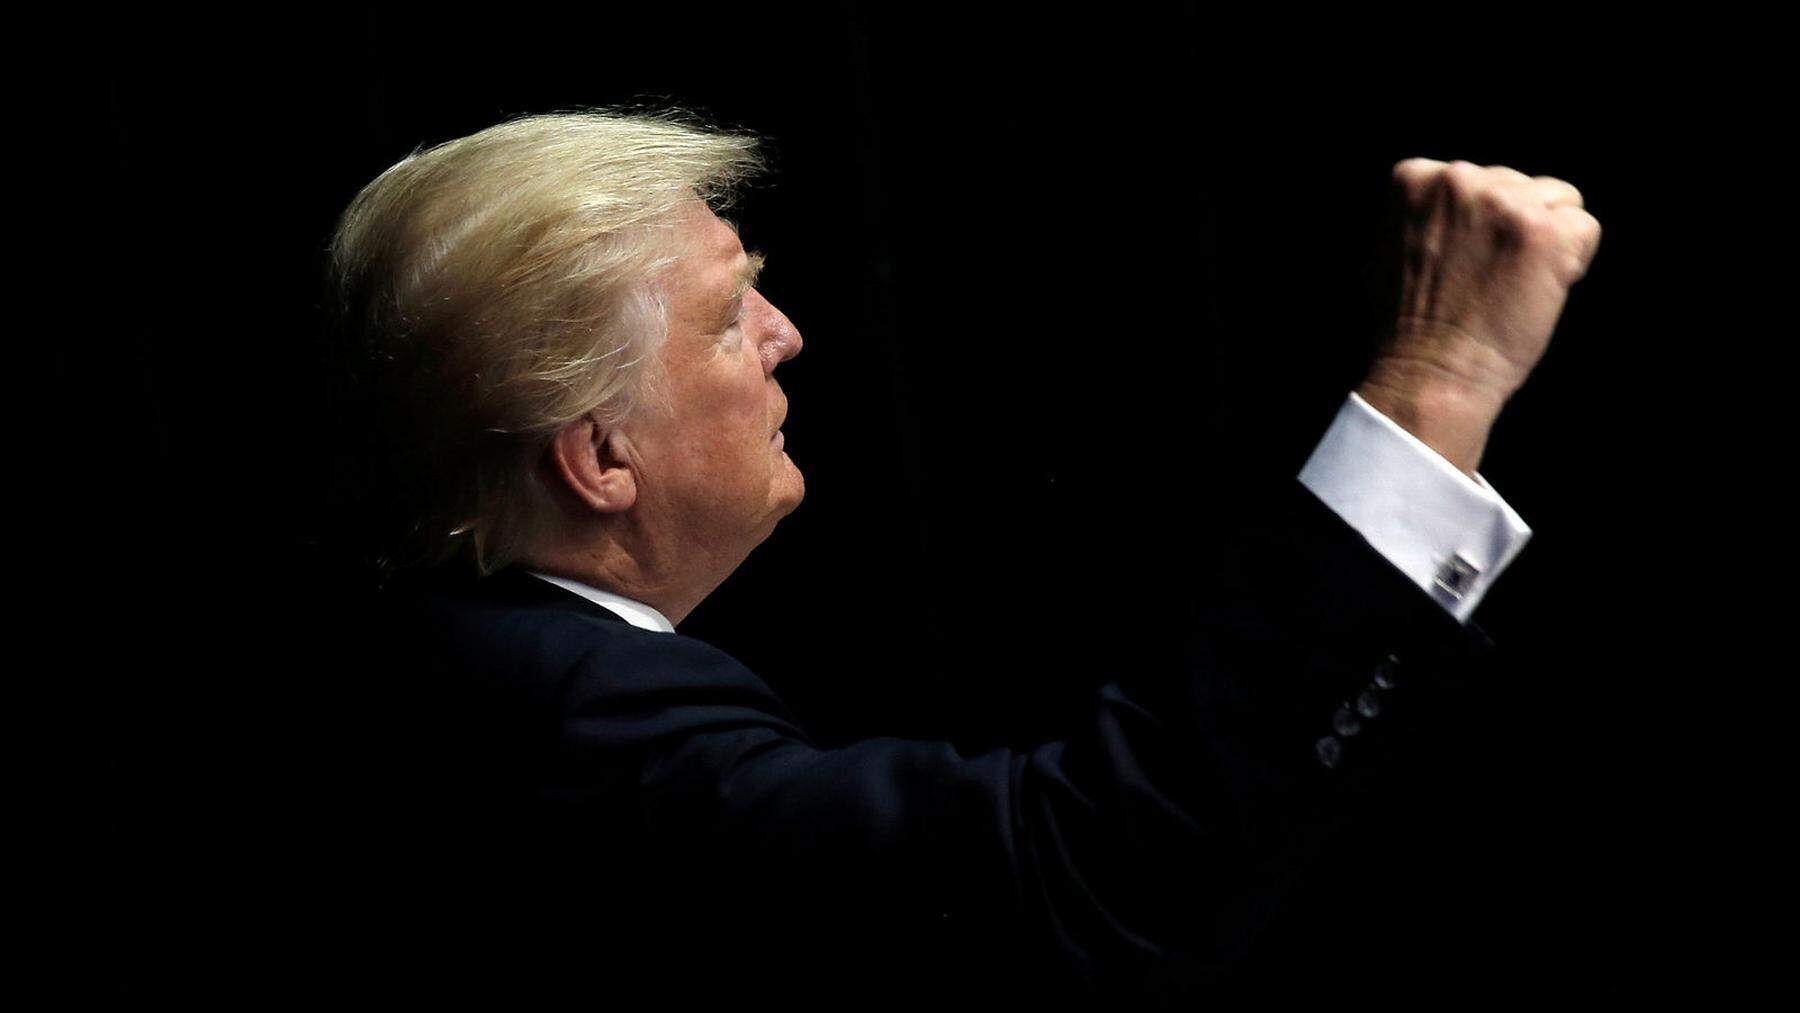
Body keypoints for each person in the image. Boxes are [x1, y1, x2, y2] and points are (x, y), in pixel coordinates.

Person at [314, 109, 1599, 1002]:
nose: (786, 332)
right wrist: (1444, 380)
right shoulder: (564, 716)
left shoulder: (460, 656)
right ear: (601, 459)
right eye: (725, 315)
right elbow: (1083, 884)